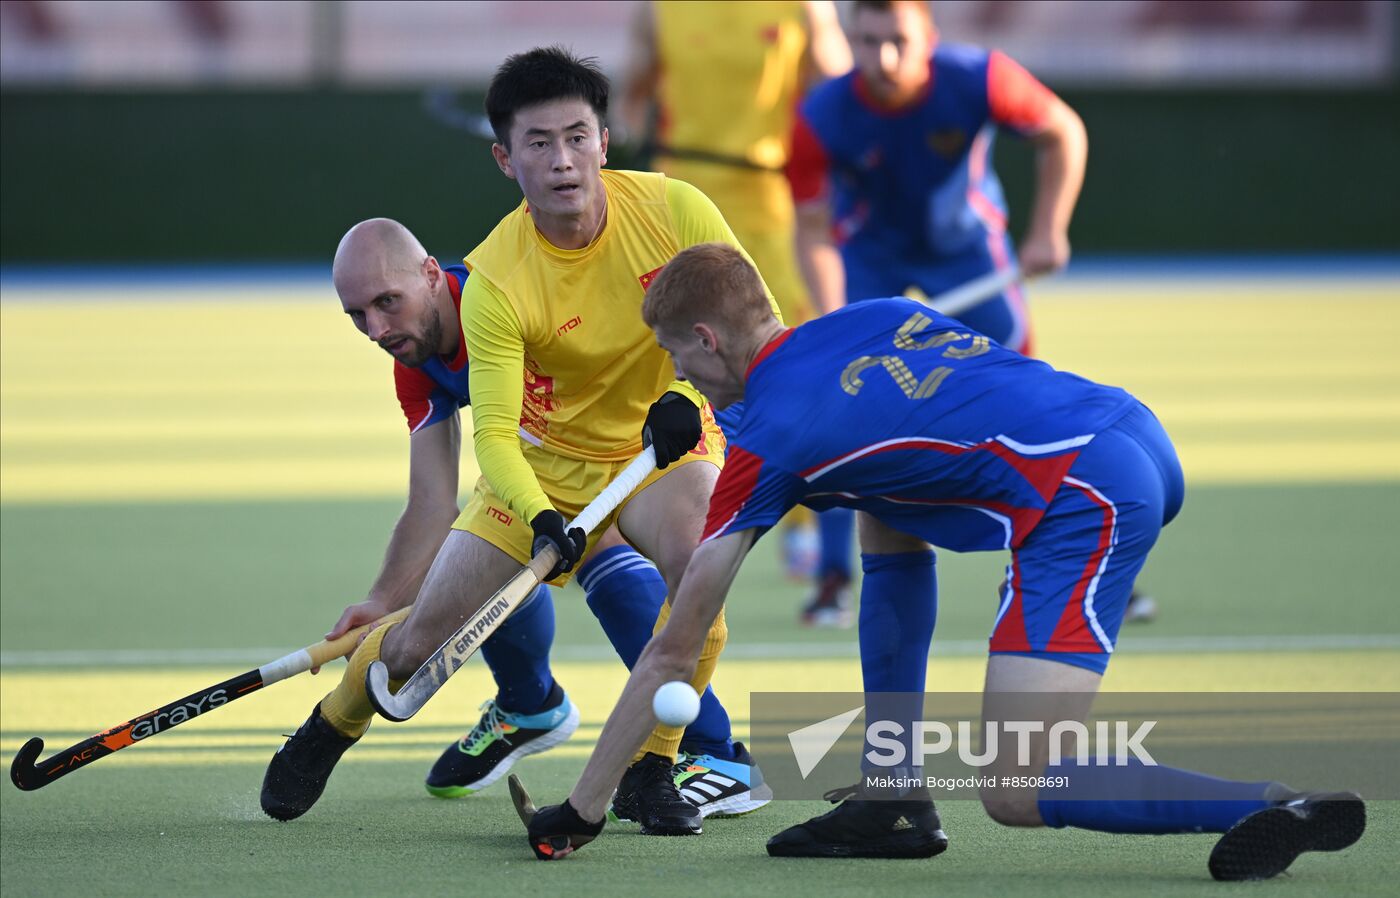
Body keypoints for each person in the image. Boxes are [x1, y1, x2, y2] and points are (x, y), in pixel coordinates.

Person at [517, 243, 1365, 880]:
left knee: (1015, 784)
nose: (679, 373)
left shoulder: (771, 441)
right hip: (1129, 429)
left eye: (676, 354)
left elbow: (675, 643)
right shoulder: (870, 316)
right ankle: (893, 793)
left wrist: (583, 806)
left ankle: (1268, 801)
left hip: (1085, 489)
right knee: (881, 510)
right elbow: (915, 425)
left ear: (707, 339)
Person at [260, 48, 780, 834]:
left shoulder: (678, 212)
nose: (562, 160)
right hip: (543, 467)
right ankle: (334, 723)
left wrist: (681, 394)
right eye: (538, 144)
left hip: (660, 450)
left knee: (698, 563)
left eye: (577, 136)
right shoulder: (498, 278)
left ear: (605, 140)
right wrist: (541, 516)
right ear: (506, 159)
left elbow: (751, 325)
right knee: (414, 646)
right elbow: (496, 435)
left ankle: (653, 765)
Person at [300, 217, 751, 808]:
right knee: (492, 543)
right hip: (551, 457)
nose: (377, 329)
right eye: (358, 315)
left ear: (433, 276)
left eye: (388, 302)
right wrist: (385, 600)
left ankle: (714, 750)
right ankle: (528, 704)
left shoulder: (504, 298)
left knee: (605, 555)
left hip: (665, 428)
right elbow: (433, 502)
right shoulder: (414, 357)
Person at [787, 0, 1090, 625]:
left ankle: (1062, 559)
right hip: (871, 256)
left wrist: (1047, 230)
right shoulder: (820, 118)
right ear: (851, 39)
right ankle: (833, 578)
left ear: (930, 35)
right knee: (848, 409)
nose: (884, 58)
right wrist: (833, 314)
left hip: (970, 254)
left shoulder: (981, 79)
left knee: (1027, 397)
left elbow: (1063, 131)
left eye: (898, 39)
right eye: (868, 42)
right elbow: (812, 227)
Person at [619, 0, 852, 587]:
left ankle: (800, 522)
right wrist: (617, 131)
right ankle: (636, 514)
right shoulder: (660, 9)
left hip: (768, 200)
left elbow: (843, 95)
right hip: (677, 195)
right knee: (658, 354)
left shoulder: (805, 7)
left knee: (785, 354)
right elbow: (631, 92)